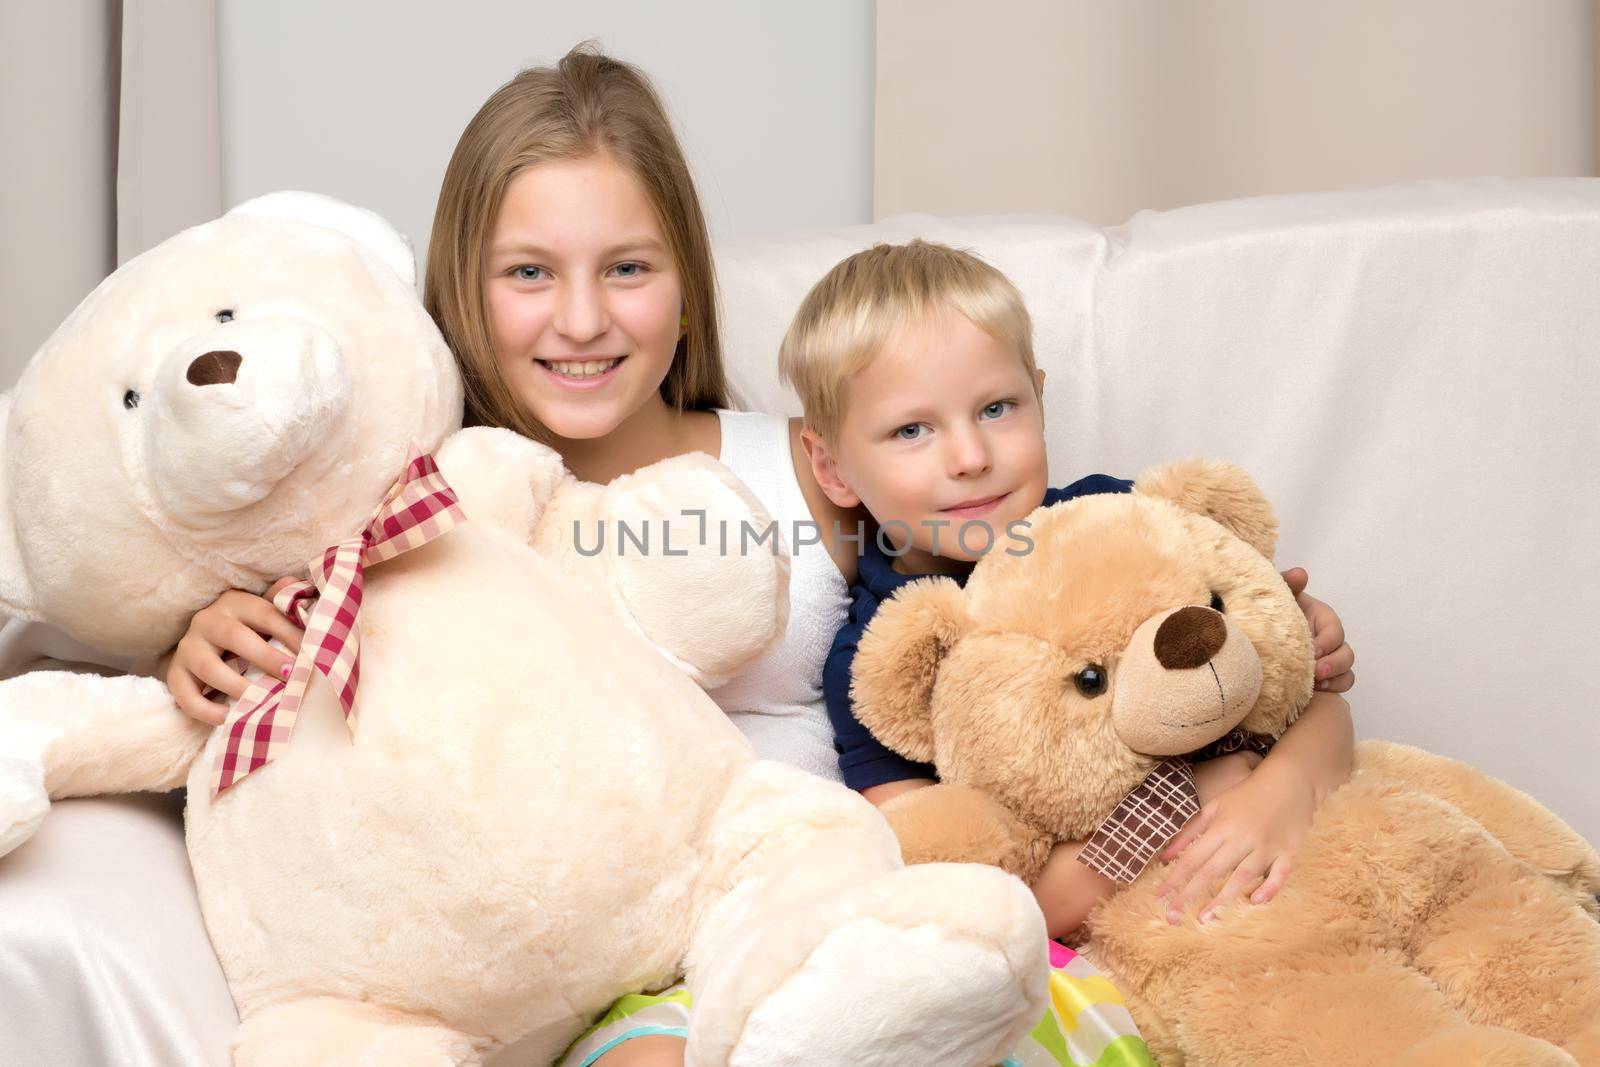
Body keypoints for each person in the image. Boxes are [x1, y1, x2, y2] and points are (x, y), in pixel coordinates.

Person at [782, 240, 1357, 939]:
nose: (970, 457)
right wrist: (1180, 800)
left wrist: (1284, 785)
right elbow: (953, 894)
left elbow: (1320, 710)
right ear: (832, 467)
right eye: (911, 429)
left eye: (997, 408)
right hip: (1147, 933)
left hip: (1295, 871)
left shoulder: (1126, 522)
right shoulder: (881, 660)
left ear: (1040, 399)